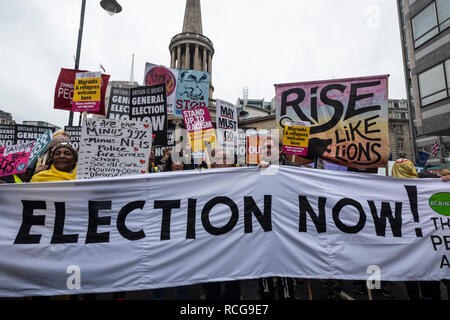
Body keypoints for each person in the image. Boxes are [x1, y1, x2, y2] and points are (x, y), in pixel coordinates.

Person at [149, 150, 192, 300]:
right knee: (159, 268)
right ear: (169, 163)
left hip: (182, 230)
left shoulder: (193, 180)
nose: (178, 165)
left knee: (182, 270)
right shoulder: (159, 178)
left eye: (181, 162)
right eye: (175, 161)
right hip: (162, 230)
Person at [202, 148, 242, 300]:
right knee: (213, 285)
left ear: (232, 163)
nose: (222, 161)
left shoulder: (243, 179)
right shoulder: (202, 181)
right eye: (218, 158)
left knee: (233, 285)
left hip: (234, 240)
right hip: (211, 240)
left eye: (226, 158)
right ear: (212, 163)